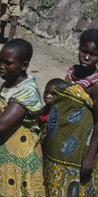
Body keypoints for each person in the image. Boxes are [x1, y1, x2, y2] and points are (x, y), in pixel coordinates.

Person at [0, 39, 45, 196]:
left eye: (7, 63)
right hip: (2, 164)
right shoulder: (10, 83)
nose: (1, 66)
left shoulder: (26, 92)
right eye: (0, 61)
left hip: (18, 163)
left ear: (24, 65)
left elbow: (1, 125)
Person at [44, 29, 98, 196]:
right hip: (55, 144)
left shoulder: (95, 85)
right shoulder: (72, 71)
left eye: (93, 54)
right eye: (84, 51)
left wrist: (89, 157)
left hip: (77, 152)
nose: (87, 57)